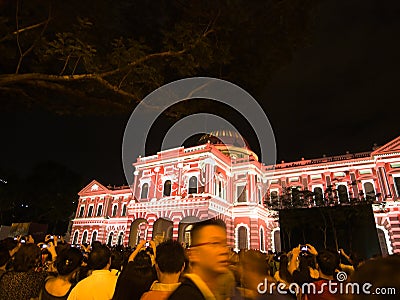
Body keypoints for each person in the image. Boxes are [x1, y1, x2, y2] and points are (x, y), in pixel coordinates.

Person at [169, 219, 230, 300]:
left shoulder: (209, 293)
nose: (224, 251)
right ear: (194, 253)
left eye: (224, 244)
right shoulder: (185, 296)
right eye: (215, 243)